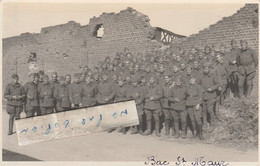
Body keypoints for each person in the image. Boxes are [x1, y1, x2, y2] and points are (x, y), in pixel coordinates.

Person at [198, 62, 220, 133]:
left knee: (210, 110)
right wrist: (200, 88)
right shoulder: (201, 76)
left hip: (212, 96)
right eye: (204, 68)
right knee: (204, 111)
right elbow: (198, 84)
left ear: (209, 69)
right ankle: (204, 125)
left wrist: (212, 88)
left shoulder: (213, 75)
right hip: (204, 96)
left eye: (207, 68)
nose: (206, 70)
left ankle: (212, 125)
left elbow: (218, 84)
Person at [161, 70, 173, 136]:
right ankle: (167, 130)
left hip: (171, 103)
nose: (166, 79)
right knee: (166, 117)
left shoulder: (173, 85)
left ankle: (173, 129)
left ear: (170, 78)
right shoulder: (163, 86)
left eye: (167, 78)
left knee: (172, 117)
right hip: (165, 103)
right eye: (165, 78)